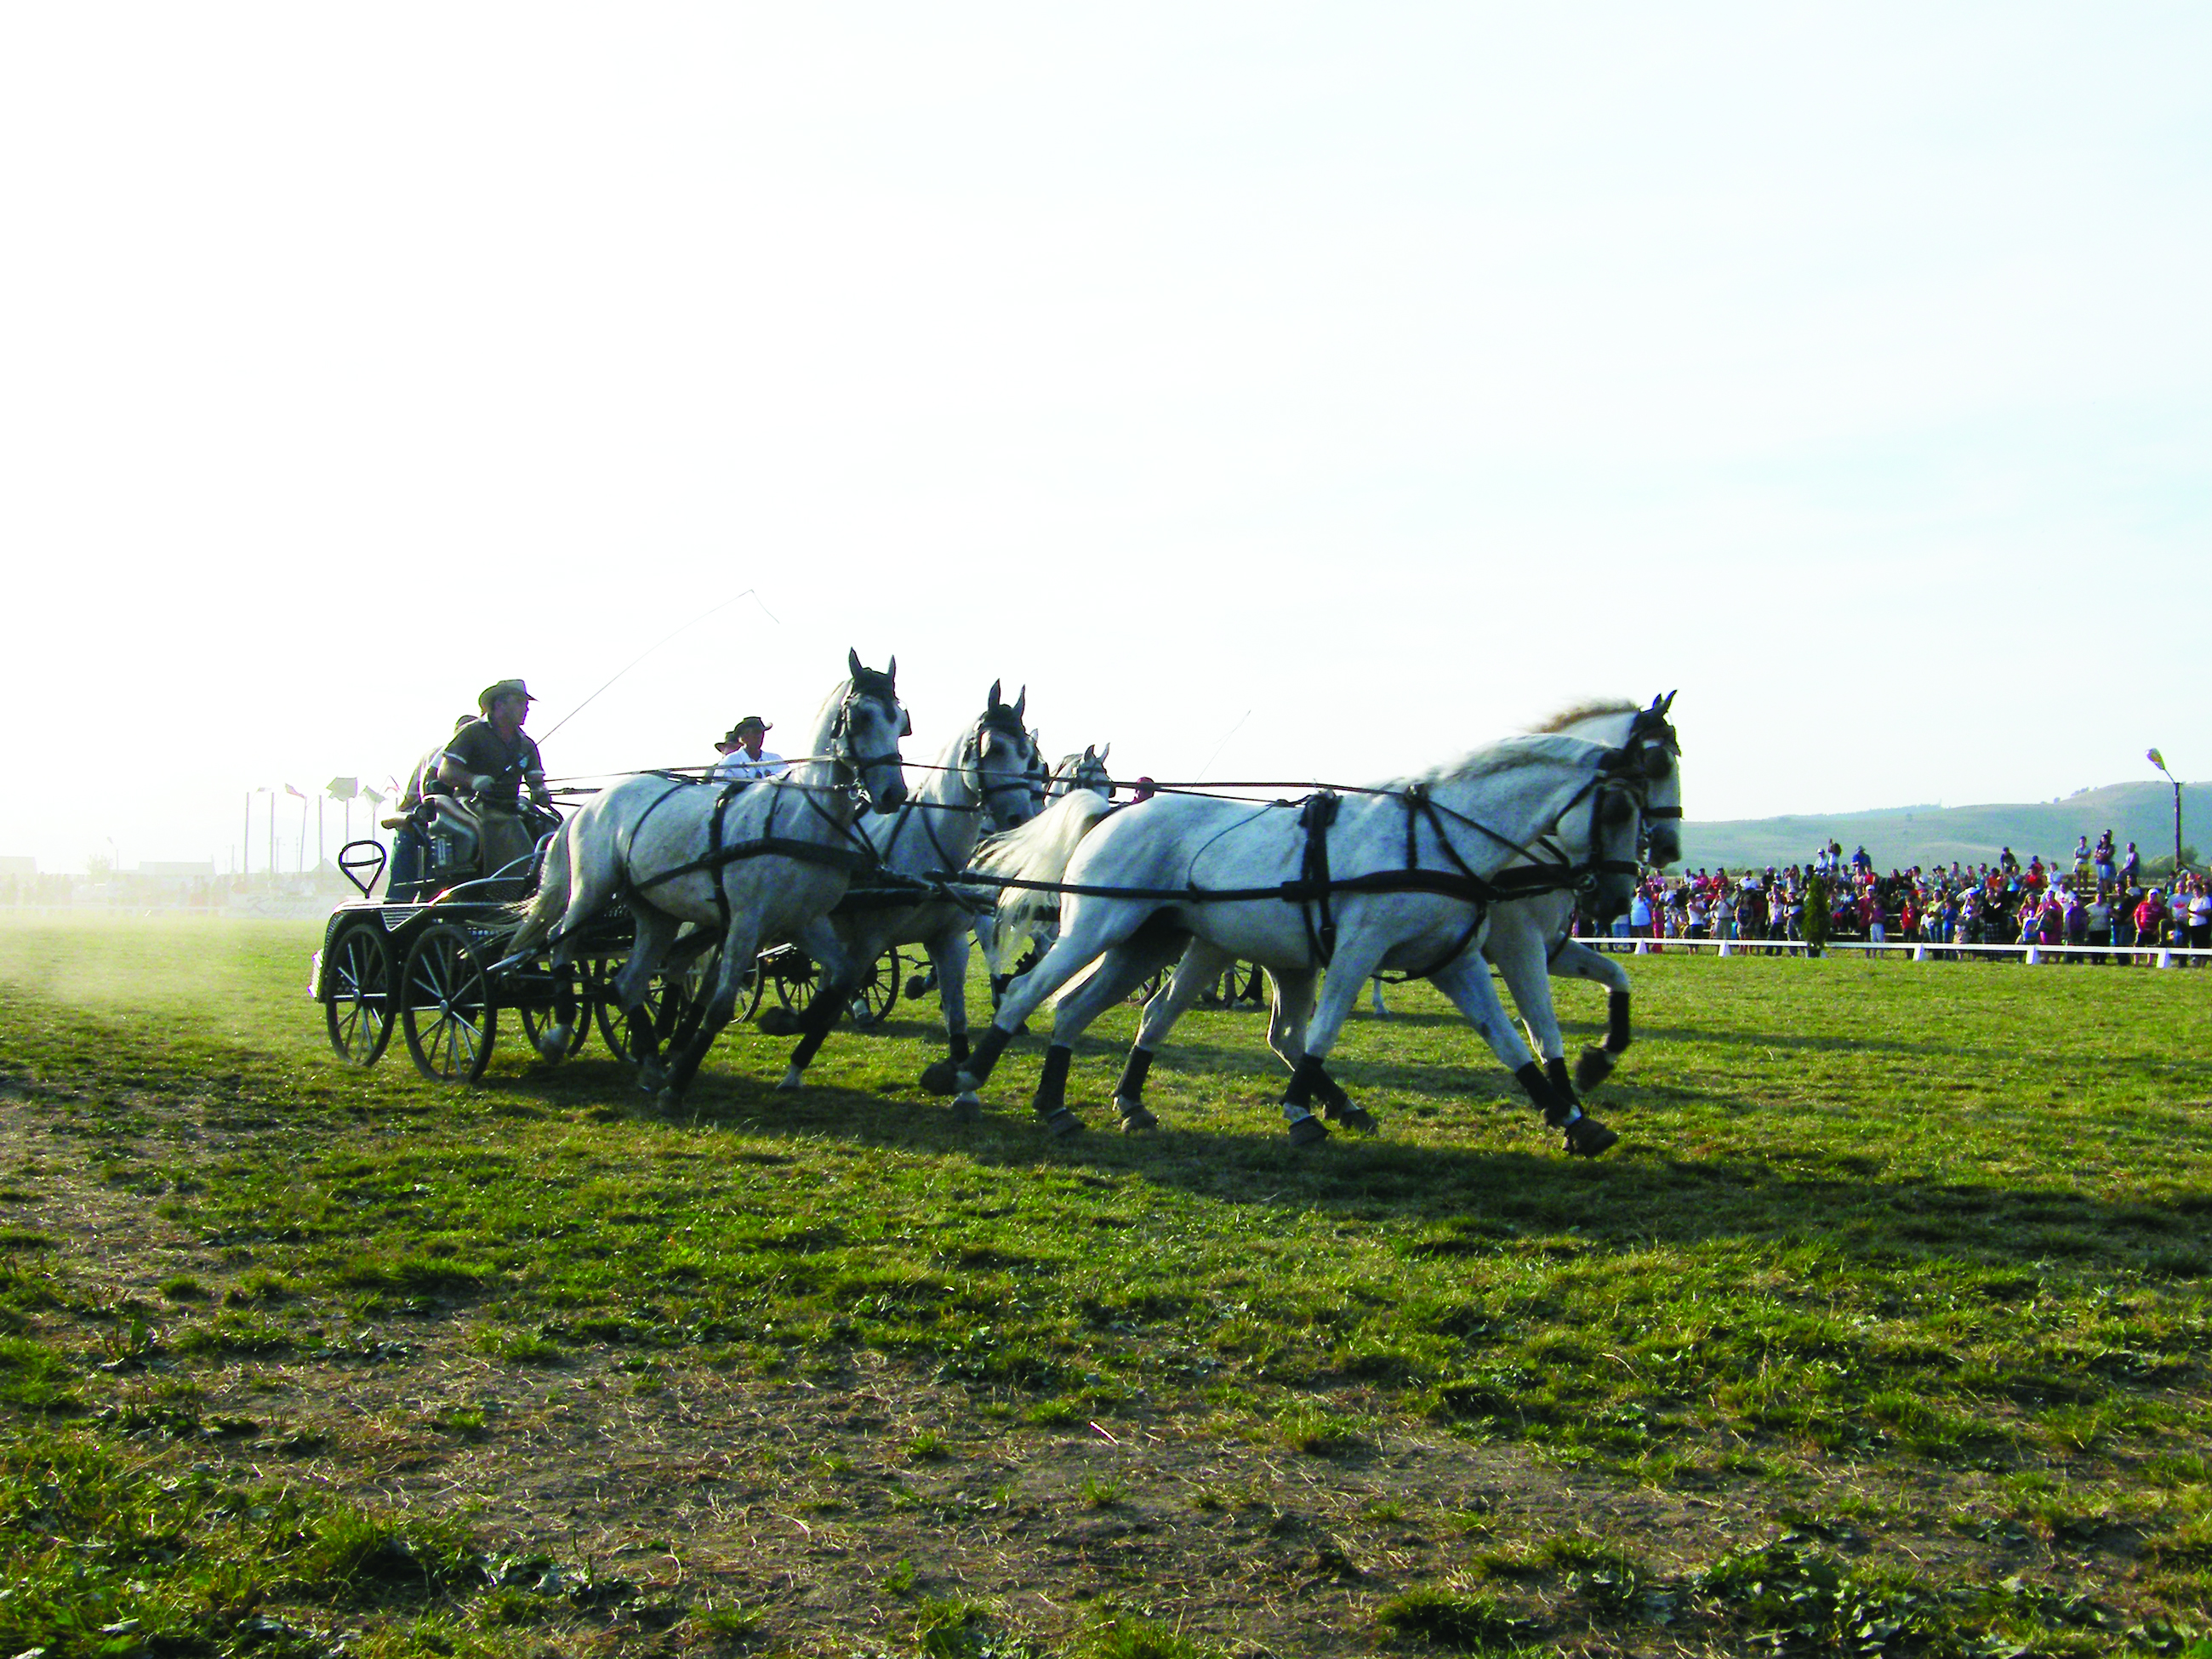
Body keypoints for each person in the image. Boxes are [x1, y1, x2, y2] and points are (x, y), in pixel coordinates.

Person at [441, 680, 551, 811]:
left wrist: (540, 792)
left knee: (547, 825)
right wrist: (473, 780)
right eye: (519, 702)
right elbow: (446, 771)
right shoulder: (472, 732)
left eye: (526, 704)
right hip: (469, 806)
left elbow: (536, 781)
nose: (526, 709)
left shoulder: (526, 744)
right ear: (499, 705)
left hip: (510, 807)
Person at [710, 716, 785, 783]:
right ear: (743, 738)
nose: (759, 736)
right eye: (754, 733)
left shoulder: (776, 760)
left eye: (761, 733)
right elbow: (719, 790)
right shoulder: (730, 762)